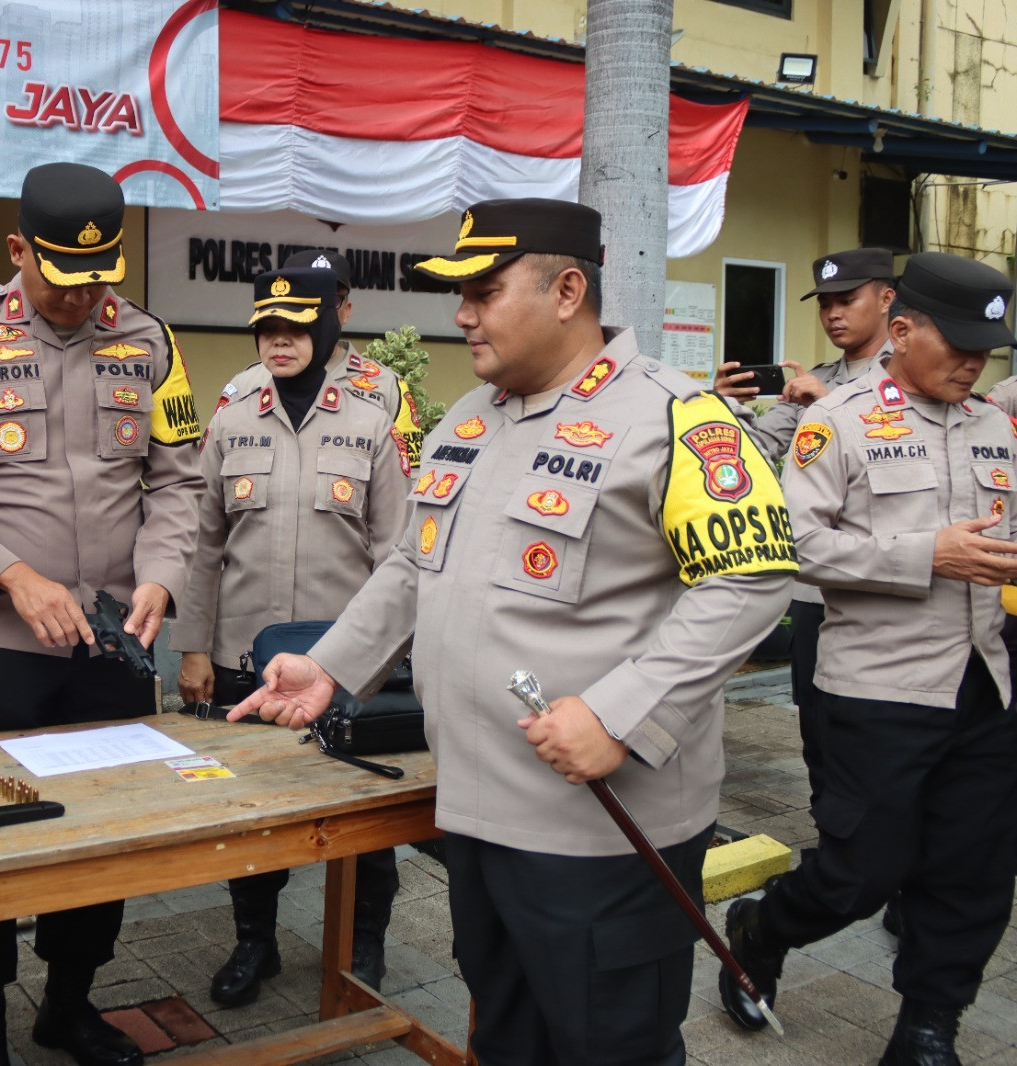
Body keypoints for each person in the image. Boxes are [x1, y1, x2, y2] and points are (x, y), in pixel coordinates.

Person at [228, 198, 797, 1066]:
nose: (461, 314)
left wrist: (619, 713)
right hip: (476, 817)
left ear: (568, 290)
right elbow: (415, 566)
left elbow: (752, 577)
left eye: (483, 292)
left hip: (604, 834)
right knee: (507, 1035)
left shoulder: (676, 417)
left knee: (611, 1047)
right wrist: (334, 668)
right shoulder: (468, 418)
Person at [0, 161, 203, 1066]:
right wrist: (14, 578)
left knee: (101, 835)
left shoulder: (149, 340)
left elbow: (177, 479)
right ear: (19, 251)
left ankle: (68, 1003)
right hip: (0, 649)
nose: (81, 299)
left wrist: (161, 575)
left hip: (114, 643)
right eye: (61, 280)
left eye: (99, 277)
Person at [718, 252, 1017, 1066]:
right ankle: (762, 925)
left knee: (973, 872)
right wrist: (926, 554)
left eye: (984, 351)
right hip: (879, 690)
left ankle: (929, 1026)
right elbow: (795, 544)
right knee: (862, 873)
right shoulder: (840, 420)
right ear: (905, 329)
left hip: (985, 684)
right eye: (956, 344)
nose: (970, 363)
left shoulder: (996, 424)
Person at [169, 266, 410, 1005]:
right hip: (245, 662)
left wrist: (383, 664)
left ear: (327, 330)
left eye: (296, 327)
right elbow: (204, 544)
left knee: (363, 819)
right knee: (250, 818)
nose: (280, 340)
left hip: (342, 666)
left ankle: (361, 943)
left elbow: (398, 555)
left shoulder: (371, 420)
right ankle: (256, 945)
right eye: (268, 328)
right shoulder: (234, 413)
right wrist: (193, 648)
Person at [715, 247, 896, 811]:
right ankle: (834, 843)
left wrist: (835, 406)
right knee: (819, 727)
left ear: (887, 299)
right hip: (817, 586)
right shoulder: (815, 380)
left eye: (848, 300)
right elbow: (755, 449)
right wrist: (724, 408)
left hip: (887, 583)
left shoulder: (913, 372)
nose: (834, 314)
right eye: (826, 305)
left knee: (883, 734)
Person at [219, 248, 424, 470]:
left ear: (347, 310)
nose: (319, 307)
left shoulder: (386, 386)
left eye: (331, 298)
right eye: (306, 298)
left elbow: (408, 478)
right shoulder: (246, 385)